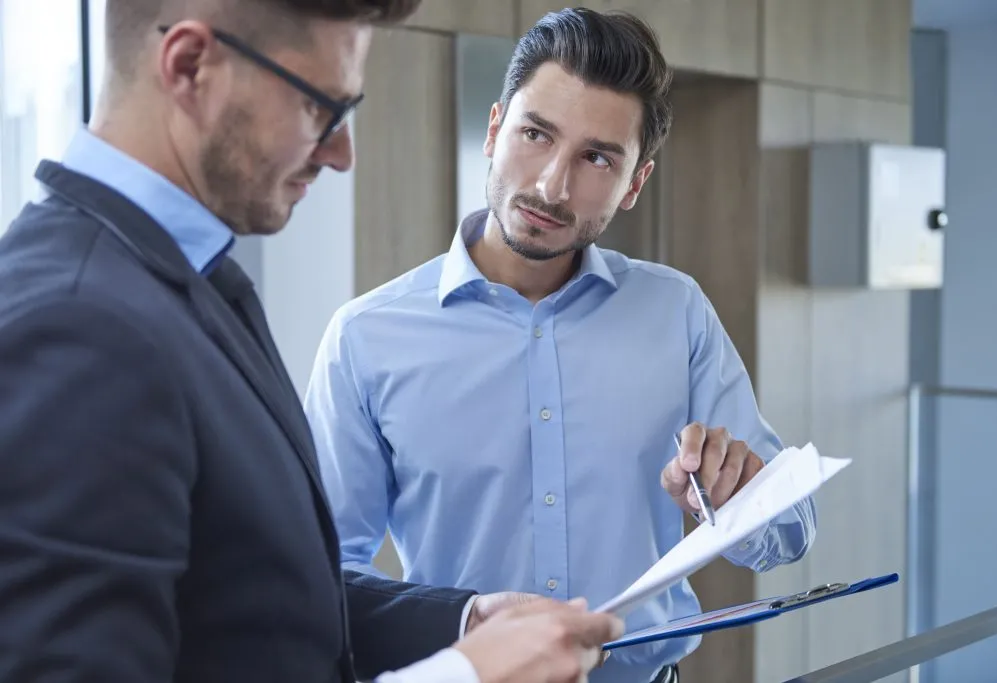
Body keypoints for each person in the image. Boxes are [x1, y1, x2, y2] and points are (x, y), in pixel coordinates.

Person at [0, 1, 624, 682]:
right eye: (318, 108)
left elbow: (260, 596)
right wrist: (463, 677)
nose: (340, 153)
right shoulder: (80, 326)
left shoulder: (189, 281)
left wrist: (463, 623)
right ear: (190, 66)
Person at [304, 7, 818, 683]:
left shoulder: (677, 312)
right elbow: (320, 574)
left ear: (635, 183)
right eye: (535, 134)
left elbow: (790, 532)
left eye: (596, 157)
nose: (551, 184)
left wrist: (735, 497)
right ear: (495, 130)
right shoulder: (366, 337)